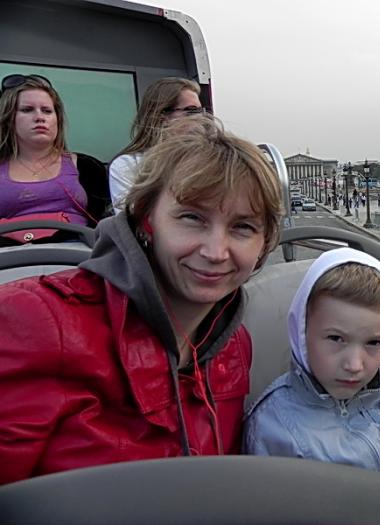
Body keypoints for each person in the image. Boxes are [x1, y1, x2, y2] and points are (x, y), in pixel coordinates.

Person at [0, 115, 283, 484]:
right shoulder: (36, 321)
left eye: (242, 227)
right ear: (146, 220)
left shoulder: (233, 345)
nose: (216, 252)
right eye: (192, 218)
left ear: (264, 243)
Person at [243, 248, 380, 504]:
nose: (354, 365)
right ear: (302, 333)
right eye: (336, 338)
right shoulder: (274, 425)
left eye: (374, 343)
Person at [0, 73, 110, 230]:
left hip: (77, 244)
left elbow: (107, 226)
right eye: (27, 110)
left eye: (47, 111)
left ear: (58, 119)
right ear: (8, 119)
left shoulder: (88, 167)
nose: (39, 117)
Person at [109, 77, 204, 212]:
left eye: (200, 112)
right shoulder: (127, 165)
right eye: (191, 111)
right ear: (162, 115)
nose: (200, 119)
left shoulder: (207, 160)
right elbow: (131, 217)